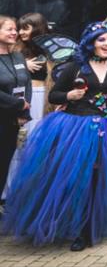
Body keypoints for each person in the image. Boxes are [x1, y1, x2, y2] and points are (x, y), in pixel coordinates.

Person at [2, 22, 107, 251]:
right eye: (101, 40)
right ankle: (79, 230)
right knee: (79, 179)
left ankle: (93, 225)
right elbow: (54, 95)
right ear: (91, 43)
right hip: (77, 129)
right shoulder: (75, 66)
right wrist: (70, 95)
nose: (106, 44)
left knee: (101, 179)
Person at [5, 13, 48, 197]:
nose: (20, 32)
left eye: (25, 28)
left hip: (43, 100)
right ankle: (9, 191)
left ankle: (30, 191)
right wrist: (23, 65)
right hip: (19, 100)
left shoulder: (50, 49)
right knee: (16, 144)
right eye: (17, 28)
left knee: (37, 145)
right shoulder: (13, 50)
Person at [0, 16, 31, 203]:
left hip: (13, 121)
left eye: (15, 29)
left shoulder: (18, 56)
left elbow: (26, 83)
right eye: (9, 29)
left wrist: (23, 112)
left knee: (4, 164)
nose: (15, 33)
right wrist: (18, 104)